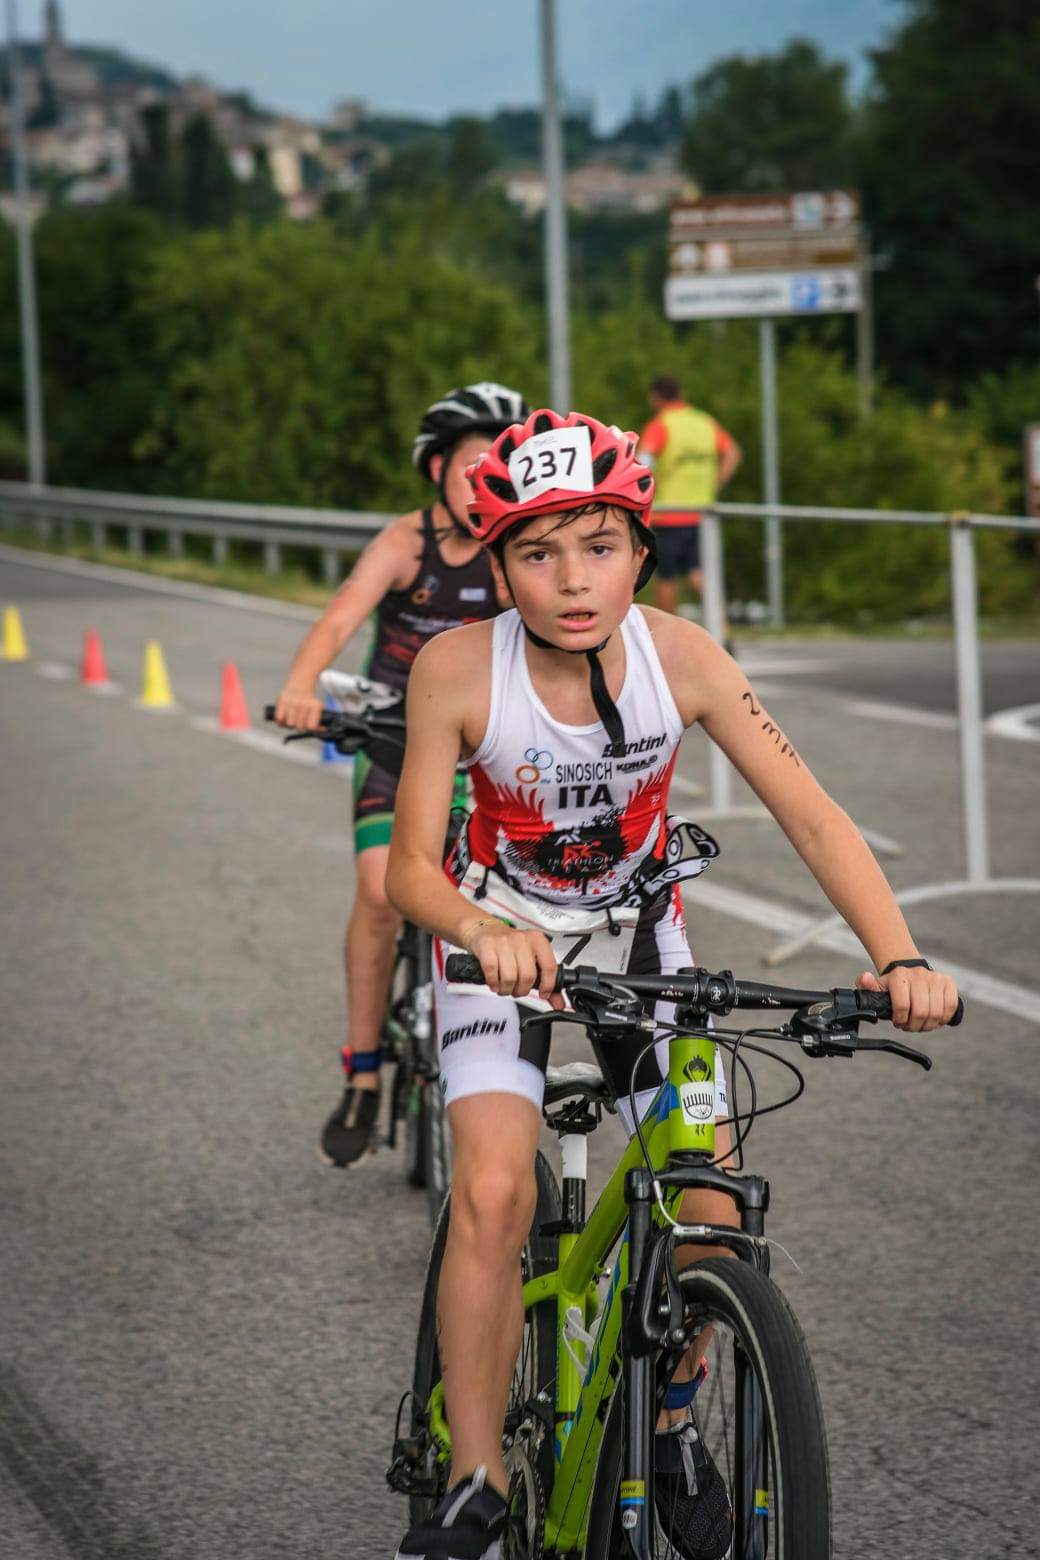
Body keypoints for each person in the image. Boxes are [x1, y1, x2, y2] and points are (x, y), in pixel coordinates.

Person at [385, 408, 960, 1560]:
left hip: (640, 947)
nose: (571, 580)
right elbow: (407, 869)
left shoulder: (682, 656)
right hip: (494, 942)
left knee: (708, 1210)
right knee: (497, 1193)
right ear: (496, 564)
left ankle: (675, 1413)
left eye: (598, 546)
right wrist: (479, 926)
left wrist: (895, 954)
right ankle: (475, 1475)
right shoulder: (457, 668)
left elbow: (808, 810)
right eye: (537, 553)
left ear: (640, 550)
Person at [274, 382, 528, 1168]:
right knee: (382, 894)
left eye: (498, 463)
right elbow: (344, 613)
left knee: (496, 903)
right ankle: (362, 1069)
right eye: (470, 463)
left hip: (483, 750)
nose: (483, 474)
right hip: (391, 733)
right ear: (438, 472)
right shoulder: (405, 542)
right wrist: (300, 686)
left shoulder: (516, 550)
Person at [638, 373, 742, 616]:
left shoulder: (662, 424)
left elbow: (642, 461)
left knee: (666, 577)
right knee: (699, 574)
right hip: (703, 513)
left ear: (655, 398)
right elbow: (733, 453)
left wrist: (651, 485)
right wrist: (714, 484)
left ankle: (666, 634)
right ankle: (722, 631)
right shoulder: (704, 422)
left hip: (670, 514)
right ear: (681, 394)